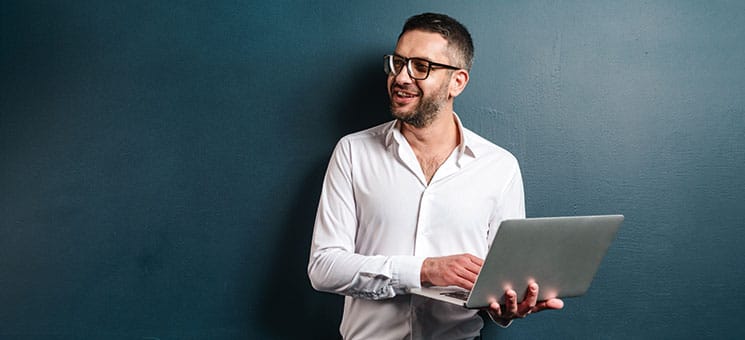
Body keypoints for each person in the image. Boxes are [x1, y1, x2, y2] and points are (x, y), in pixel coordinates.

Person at [307, 12, 563, 339]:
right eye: (397, 63)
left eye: (420, 66)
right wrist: (425, 271)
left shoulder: (500, 167)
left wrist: (506, 307)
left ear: (457, 81)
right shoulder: (353, 152)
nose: (401, 77)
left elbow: (500, 282)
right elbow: (324, 268)